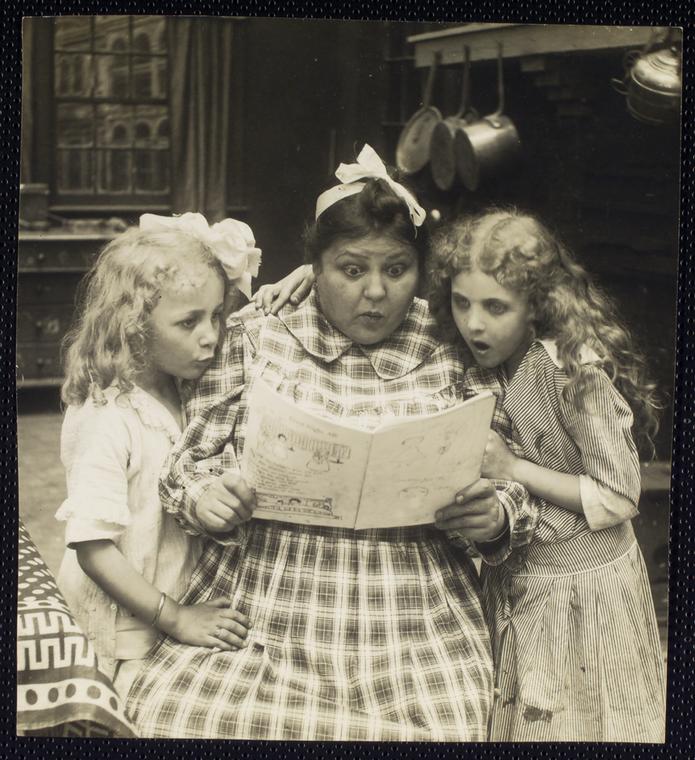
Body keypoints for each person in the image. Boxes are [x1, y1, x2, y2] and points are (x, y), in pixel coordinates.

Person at [126, 145, 538, 741]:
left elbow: (510, 476)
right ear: (313, 269)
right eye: (351, 271)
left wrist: (493, 515)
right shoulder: (256, 335)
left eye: (396, 270)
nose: (376, 292)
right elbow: (190, 462)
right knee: (183, 715)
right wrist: (204, 498)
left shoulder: (451, 343)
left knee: (446, 725)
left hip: (411, 608)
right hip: (269, 598)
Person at [428, 208, 665, 742]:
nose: (474, 323)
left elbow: (620, 497)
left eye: (495, 307)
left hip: (588, 591)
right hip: (520, 578)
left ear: (536, 307)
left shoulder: (572, 371)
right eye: (461, 303)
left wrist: (513, 468)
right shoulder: (484, 356)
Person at [54, 214, 261, 696]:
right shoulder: (108, 415)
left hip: (172, 601)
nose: (210, 335)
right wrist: (177, 618)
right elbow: (92, 547)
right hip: (122, 626)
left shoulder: (185, 386)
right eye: (189, 322)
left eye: (216, 315)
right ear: (134, 328)